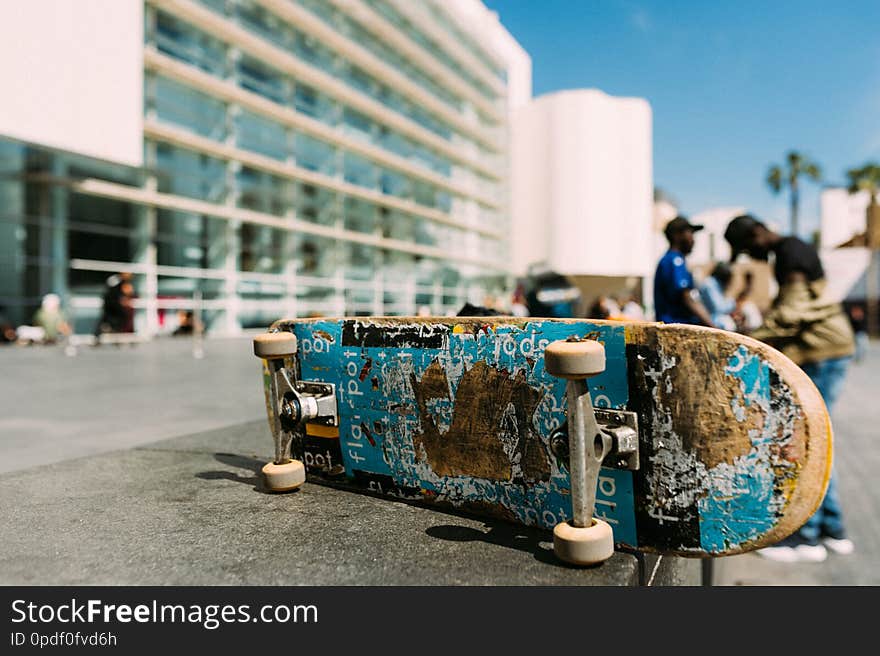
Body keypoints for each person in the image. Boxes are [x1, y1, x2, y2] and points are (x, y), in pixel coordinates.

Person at [725, 213, 856, 562]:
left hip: (823, 352)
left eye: (746, 248)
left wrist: (748, 339)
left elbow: (794, 312)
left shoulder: (790, 252)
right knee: (817, 438)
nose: (749, 256)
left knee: (809, 441)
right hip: (825, 350)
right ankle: (832, 529)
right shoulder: (791, 249)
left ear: (756, 233)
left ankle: (808, 537)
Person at [654, 216, 714, 326]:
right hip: (676, 329)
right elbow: (687, 298)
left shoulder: (670, 260)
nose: (693, 239)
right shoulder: (674, 260)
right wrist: (715, 328)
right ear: (676, 236)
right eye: (690, 233)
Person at [698, 262, 737, 331]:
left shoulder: (716, 284)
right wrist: (732, 303)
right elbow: (719, 308)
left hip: (716, 318)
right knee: (727, 323)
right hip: (711, 320)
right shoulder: (710, 284)